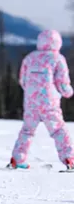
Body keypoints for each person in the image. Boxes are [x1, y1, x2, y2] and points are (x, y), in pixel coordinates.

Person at [8, 29, 74, 170]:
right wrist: (68, 92)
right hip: (49, 103)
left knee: (27, 130)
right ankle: (70, 159)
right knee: (58, 130)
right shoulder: (57, 58)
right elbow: (62, 83)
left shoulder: (30, 58)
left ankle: (17, 159)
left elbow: (23, 80)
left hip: (31, 102)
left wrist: (33, 93)